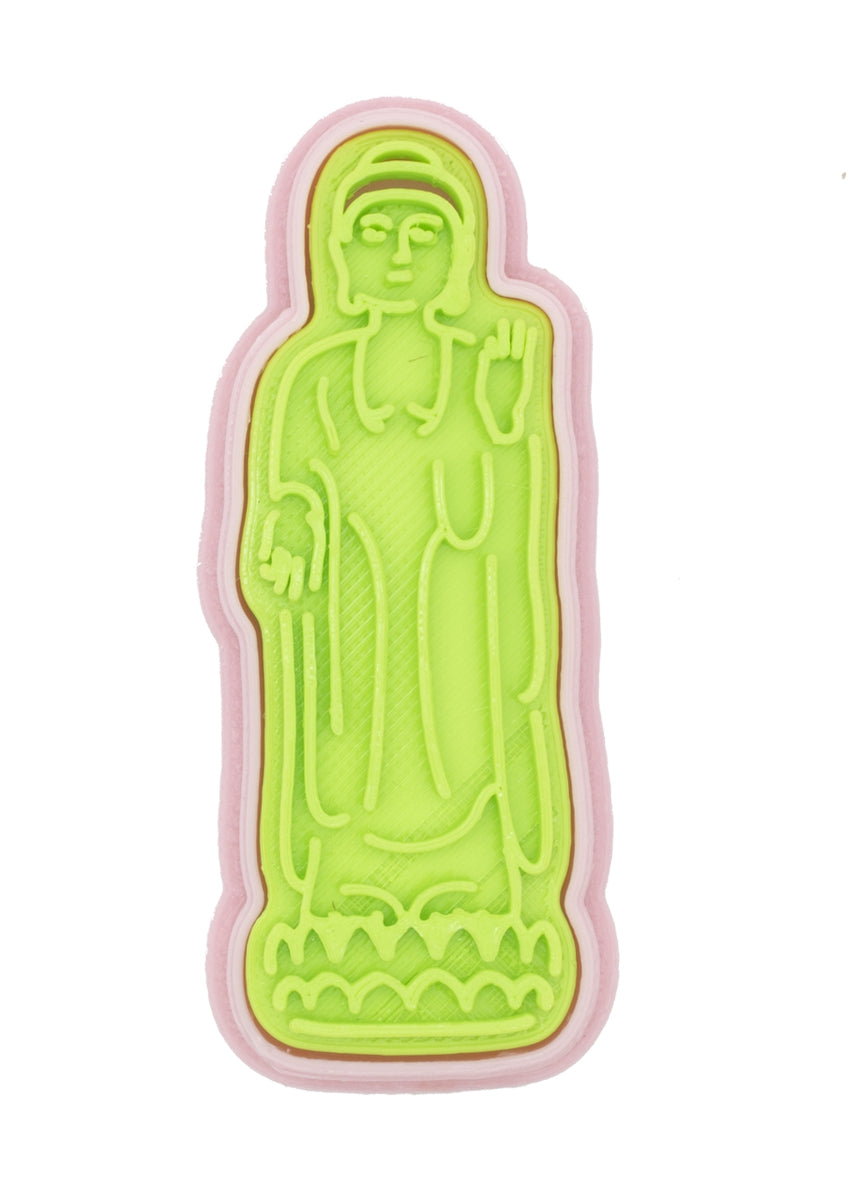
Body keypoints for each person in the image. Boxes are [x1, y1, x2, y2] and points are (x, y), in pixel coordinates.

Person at [239, 131, 577, 1056]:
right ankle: (339, 915)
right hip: (351, 637)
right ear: (338, 254)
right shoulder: (307, 377)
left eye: (424, 236)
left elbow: (515, 520)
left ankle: (482, 914)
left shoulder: (487, 365)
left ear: (461, 253)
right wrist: (294, 536)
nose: (397, 255)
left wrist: (503, 422)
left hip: (457, 622)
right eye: (374, 233)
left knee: (468, 748)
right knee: (342, 777)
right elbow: (281, 503)